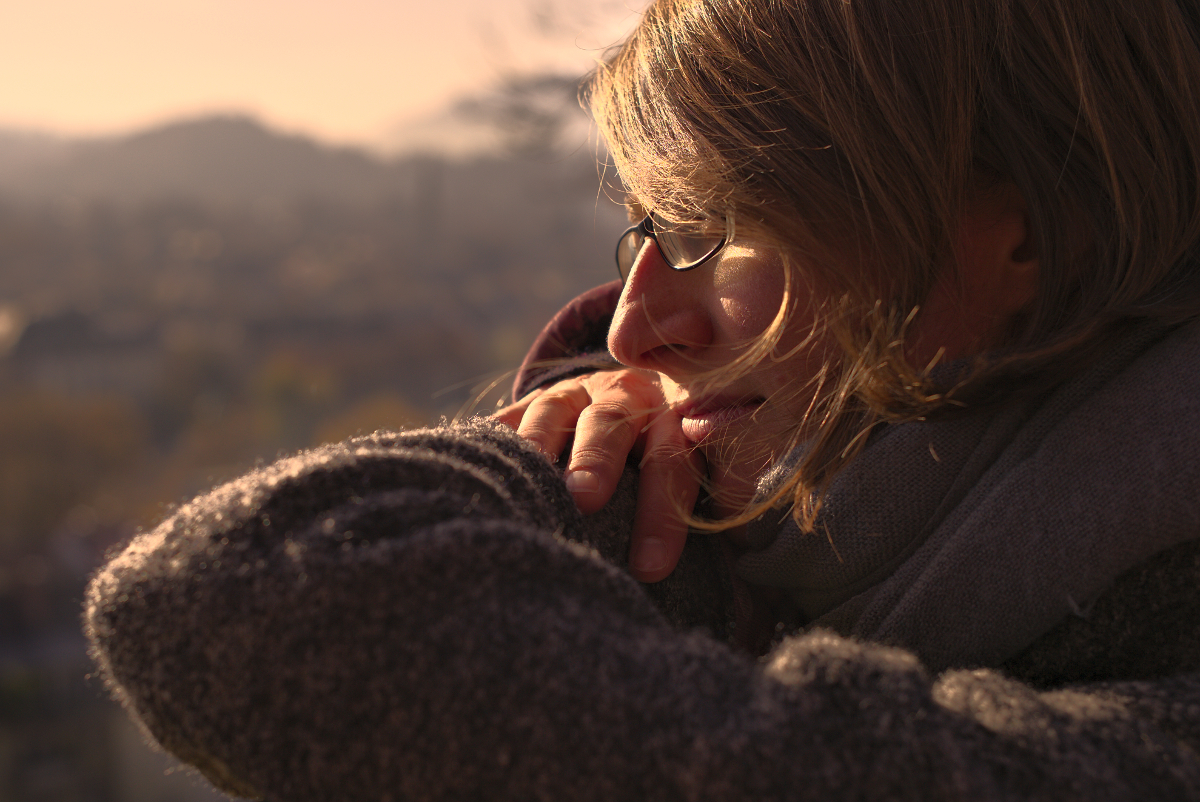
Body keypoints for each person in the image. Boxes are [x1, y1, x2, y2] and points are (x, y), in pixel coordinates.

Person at [85, 0, 1200, 799]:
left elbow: (247, 595)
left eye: (720, 231)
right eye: (652, 233)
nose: (625, 327)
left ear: (1032, 242)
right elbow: (202, 599)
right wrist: (576, 429)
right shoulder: (779, 508)